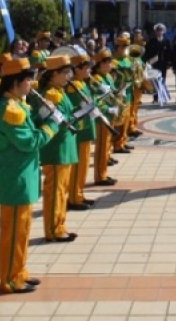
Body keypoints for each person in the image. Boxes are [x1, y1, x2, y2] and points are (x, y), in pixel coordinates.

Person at [0, 58, 51, 293]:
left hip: (22, 177)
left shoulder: (18, 106)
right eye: (28, 80)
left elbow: (28, 130)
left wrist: (41, 117)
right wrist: (51, 126)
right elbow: (29, 142)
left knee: (22, 230)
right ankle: (9, 278)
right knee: (13, 232)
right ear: (15, 83)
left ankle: (19, 270)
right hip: (15, 179)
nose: (31, 84)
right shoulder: (10, 110)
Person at [33, 55, 79, 241]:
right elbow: (51, 119)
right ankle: (53, 230)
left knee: (62, 190)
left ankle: (60, 225)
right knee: (55, 191)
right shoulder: (52, 93)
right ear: (53, 74)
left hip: (65, 145)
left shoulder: (61, 90)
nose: (69, 75)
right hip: (56, 147)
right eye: (65, 72)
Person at [66, 54, 98, 208]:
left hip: (86, 127)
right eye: (85, 67)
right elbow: (75, 108)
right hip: (80, 129)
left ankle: (79, 193)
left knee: (84, 165)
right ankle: (74, 197)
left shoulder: (82, 83)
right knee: (78, 166)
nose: (89, 70)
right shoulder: (73, 86)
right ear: (76, 69)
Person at [90, 48, 119, 186]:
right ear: (100, 64)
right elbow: (96, 100)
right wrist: (108, 109)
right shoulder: (96, 79)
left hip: (110, 115)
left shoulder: (107, 76)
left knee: (107, 145)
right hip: (102, 117)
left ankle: (104, 172)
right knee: (101, 146)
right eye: (107, 62)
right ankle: (100, 176)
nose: (110, 65)